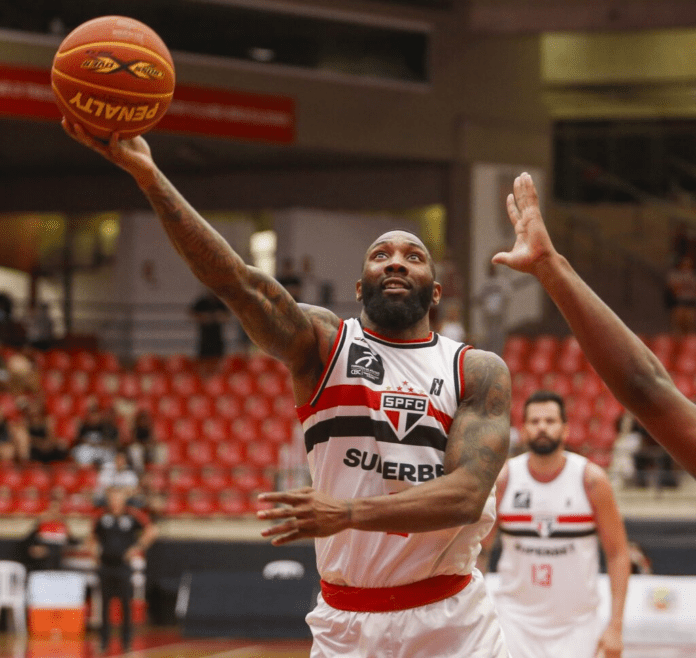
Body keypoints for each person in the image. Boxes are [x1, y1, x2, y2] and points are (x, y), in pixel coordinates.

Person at [62, 121, 513, 658]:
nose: (396, 260)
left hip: (452, 622)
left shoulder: (476, 369)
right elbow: (237, 280)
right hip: (347, 620)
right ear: (359, 286)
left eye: (413, 256)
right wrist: (149, 175)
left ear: (435, 292)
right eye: (381, 255)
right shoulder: (324, 343)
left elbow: (465, 497)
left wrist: (346, 514)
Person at [494, 172, 696, 477]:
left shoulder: (589, 483)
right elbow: (645, 386)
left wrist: (551, 268)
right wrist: (550, 266)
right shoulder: (510, 479)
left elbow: (647, 387)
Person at [479, 390, 630, 658]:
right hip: (514, 621)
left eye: (550, 421)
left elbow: (618, 553)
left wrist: (615, 627)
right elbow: (480, 552)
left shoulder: (592, 481)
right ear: (523, 430)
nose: (542, 428)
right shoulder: (504, 480)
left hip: (577, 626)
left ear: (565, 429)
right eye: (534, 421)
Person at [85, 487, 157, 653]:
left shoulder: (132, 515)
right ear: (108, 499)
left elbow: (152, 530)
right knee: (104, 605)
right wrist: (93, 550)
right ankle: (103, 642)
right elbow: (91, 537)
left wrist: (137, 548)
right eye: (112, 498)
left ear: (123, 499)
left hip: (123, 567)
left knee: (125, 604)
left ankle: (126, 642)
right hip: (105, 566)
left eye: (118, 498)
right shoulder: (101, 516)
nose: (115, 501)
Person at [23, 493, 78, 571]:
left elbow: (71, 543)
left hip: (59, 556)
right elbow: (29, 542)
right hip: (43, 559)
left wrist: (67, 527)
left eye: (57, 509)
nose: (54, 512)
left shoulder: (63, 526)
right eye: (52, 508)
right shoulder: (41, 525)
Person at [189, 290, 231, 364]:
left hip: (217, 338)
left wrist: (218, 317)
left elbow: (227, 316)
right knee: (204, 360)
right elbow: (191, 313)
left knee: (219, 360)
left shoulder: (219, 302)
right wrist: (203, 317)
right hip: (205, 338)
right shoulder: (202, 302)